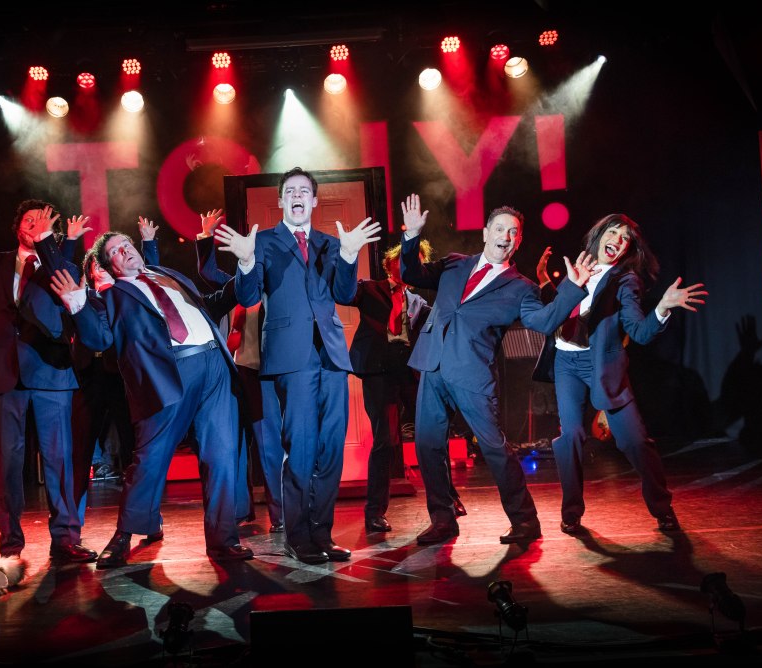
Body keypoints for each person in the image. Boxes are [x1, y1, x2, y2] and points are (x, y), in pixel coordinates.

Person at [398, 194, 598, 546]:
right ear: (486, 233)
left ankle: (525, 520)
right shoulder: (455, 264)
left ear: (518, 242)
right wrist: (411, 236)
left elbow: (545, 321)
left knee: (493, 448)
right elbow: (411, 274)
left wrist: (573, 289)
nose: (506, 236)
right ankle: (443, 520)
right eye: (500, 229)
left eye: (513, 232)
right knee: (428, 446)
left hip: (473, 374)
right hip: (433, 364)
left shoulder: (522, 288)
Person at [46, 229, 252, 566]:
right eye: (115, 251)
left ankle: (223, 539)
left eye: (127, 244)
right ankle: (124, 535)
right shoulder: (112, 295)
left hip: (215, 365)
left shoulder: (169, 275)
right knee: (149, 458)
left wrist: (244, 265)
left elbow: (211, 304)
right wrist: (77, 305)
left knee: (222, 454)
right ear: (109, 267)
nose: (125, 250)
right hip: (169, 374)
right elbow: (98, 338)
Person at [214, 167, 382, 564]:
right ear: (281, 201)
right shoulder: (264, 243)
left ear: (314, 200)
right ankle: (298, 535)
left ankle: (322, 533)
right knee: (301, 448)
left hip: (332, 356)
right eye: (290, 191)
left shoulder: (330, 243)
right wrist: (245, 261)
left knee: (331, 449)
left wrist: (349, 254)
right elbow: (249, 296)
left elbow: (344, 294)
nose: (297, 196)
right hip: (292, 358)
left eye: (304, 191)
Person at [531, 213, 707, 535]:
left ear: (628, 250)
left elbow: (639, 332)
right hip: (566, 363)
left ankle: (662, 508)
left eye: (625, 238)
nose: (618, 240)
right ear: (599, 235)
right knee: (570, 436)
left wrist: (662, 308)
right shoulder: (579, 267)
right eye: (613, 232)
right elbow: (562, 309)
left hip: (601, 364)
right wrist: (546, 281)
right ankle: (571, 512)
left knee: (635, 441)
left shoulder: (625, 281)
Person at [0, 200, 96, 563]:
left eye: (43, 222)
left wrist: (52, 244)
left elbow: (67, 292)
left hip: (51, 371)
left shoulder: (59, 263)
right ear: (17, 226)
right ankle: (10, 544)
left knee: (59, 459)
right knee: (6, 461)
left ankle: (66, 539)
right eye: (29, 220)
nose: (35, 225)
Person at [349, 241, 467, 533]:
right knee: (385, 440)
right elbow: (343, 292)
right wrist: (347, 256)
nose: (407, 267)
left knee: (431, 433)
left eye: (415, 263)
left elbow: (445, 317)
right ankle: (374, 512)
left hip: (408, 371)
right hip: (379, 370)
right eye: (403, 260)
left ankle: (448, 498)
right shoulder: (369, 289)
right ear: (390, 263)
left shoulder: (418, 302)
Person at [196, 209, 285, 534]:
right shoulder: (239, 284)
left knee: (269, 444)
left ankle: (280, 514)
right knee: (234, 442)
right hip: (237, 373)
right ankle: (239, 510)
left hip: (264, 374)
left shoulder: (277, 287)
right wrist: (206, 236)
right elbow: (208, 272)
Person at [70, 217, 159, 523]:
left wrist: (149, 244)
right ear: (88, 273)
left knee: (135, 449)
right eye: (92, 265)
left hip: (121, 378)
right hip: (89, 378)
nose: (98, 268)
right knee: (81, 451)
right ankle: (71, 527)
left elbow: (150, 279)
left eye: (102, 263)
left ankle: (148, 519)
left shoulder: (123, 293)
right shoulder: (82, 298)